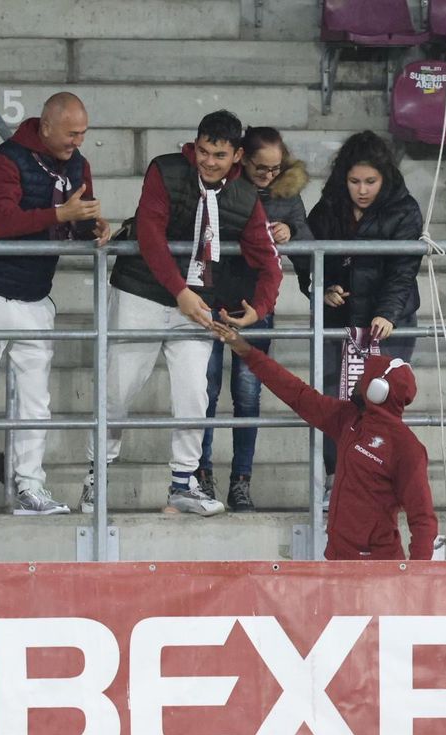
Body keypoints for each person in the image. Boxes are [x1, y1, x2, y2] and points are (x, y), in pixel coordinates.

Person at [81, 110, 283, 516]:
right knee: (119, 388)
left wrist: (257, 310)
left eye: (219, 155)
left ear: (237, 155)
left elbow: (270, 262)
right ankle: (95, 478)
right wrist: (179, 292)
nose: (209, 161)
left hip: (198, 302)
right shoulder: (165, 170)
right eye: (204, 151)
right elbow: (150, 236)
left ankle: (183, 484)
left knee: (195, 393)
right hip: (141, 292)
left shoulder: (245, 196)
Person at [0, 92, 110, 515]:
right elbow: (1, 221)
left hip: (35, 294)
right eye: (70, 134)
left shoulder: (78, 165)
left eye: (82, 134)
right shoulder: (5, 159)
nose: (77, 142)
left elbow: (72, 220)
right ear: (45, 126)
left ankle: (31, 486)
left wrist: (92, 228)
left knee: (35, 400)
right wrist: (60, 215)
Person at [212, 322, 436, 560]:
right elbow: (296, 393)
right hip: (336, 559)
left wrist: (415, 579)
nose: (356, 380)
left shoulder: (407, 448)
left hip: (377, 568)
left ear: (377, 390)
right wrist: (246, 351)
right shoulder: (348, 418)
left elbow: (423, 519)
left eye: (363, 377)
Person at [299, 130, 423, 502]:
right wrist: (321, 288)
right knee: (335, 404)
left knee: (382, 407)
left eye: (370, 181)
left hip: (389, 325)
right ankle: (337, 482)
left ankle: (381, 485)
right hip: (339, 323)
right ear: (343, 179)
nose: (362, 190)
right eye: (354, 181)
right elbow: (310, 256)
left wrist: (387, 313)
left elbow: (403, 269)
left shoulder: (405, 209)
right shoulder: (329, 205)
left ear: (384, 178)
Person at [195, 126, 313, 512]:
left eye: (275, 169)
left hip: (256, 305)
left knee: (247, 395)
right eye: (261, 168)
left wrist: (291, 231)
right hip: (211, 300)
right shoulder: (219, 185)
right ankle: (202, 475)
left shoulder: (286, 193)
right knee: (206, 392)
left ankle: (241, 482)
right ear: (242, 159)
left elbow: (310, 243)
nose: (268, 176)